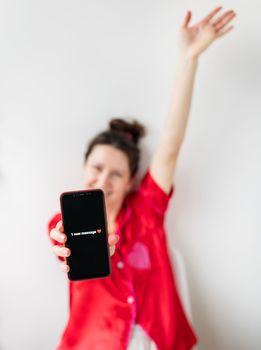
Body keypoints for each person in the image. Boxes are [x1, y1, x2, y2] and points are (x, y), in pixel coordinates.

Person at [48, 7, 236, 350]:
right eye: (97, 167)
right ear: (83, 167)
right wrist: (64, 249)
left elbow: (169, 147)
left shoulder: (148, 209)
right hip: (93, 341)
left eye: (117, 172)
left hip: (158, 339)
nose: (104, 179)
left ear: (131, 181)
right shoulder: (63, 222)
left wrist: (189, 57)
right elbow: (62, 248)